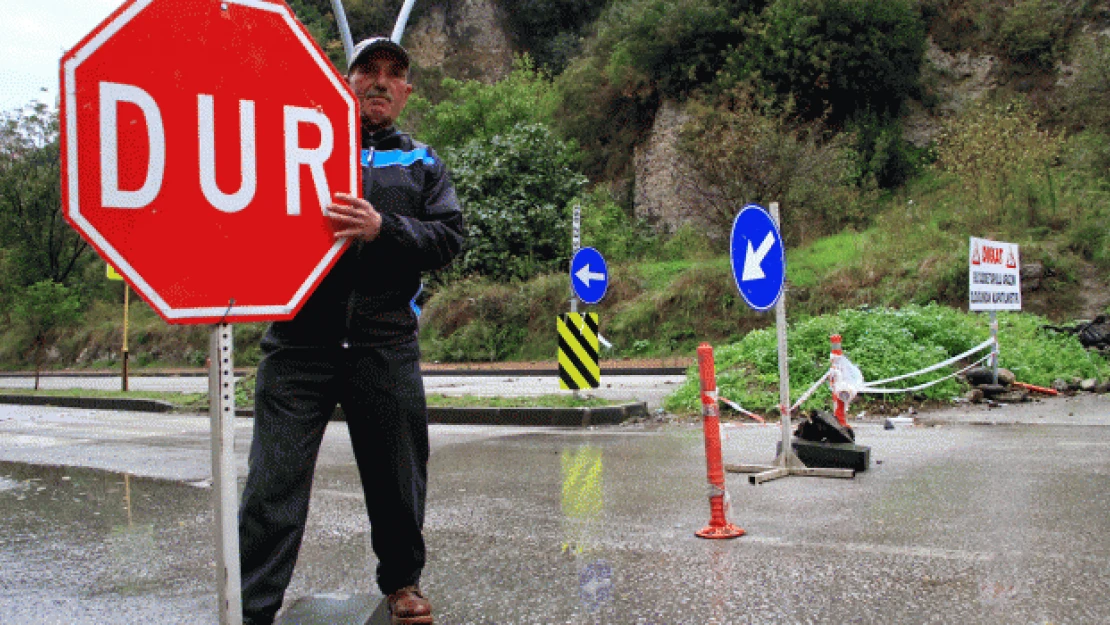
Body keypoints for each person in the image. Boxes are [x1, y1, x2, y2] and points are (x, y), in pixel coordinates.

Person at [238, 36, 464, 625]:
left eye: (394, 73)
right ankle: (250, 607)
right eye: (368, 70)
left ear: (407, 92)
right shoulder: (299, 145)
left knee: (397, 478)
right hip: (297, 342)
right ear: (344, 81)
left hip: (384, 341)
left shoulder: (423, 162)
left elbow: (449, 240)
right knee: (271, 487)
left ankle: (403, 584)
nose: (381, 81)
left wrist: (383, 227)